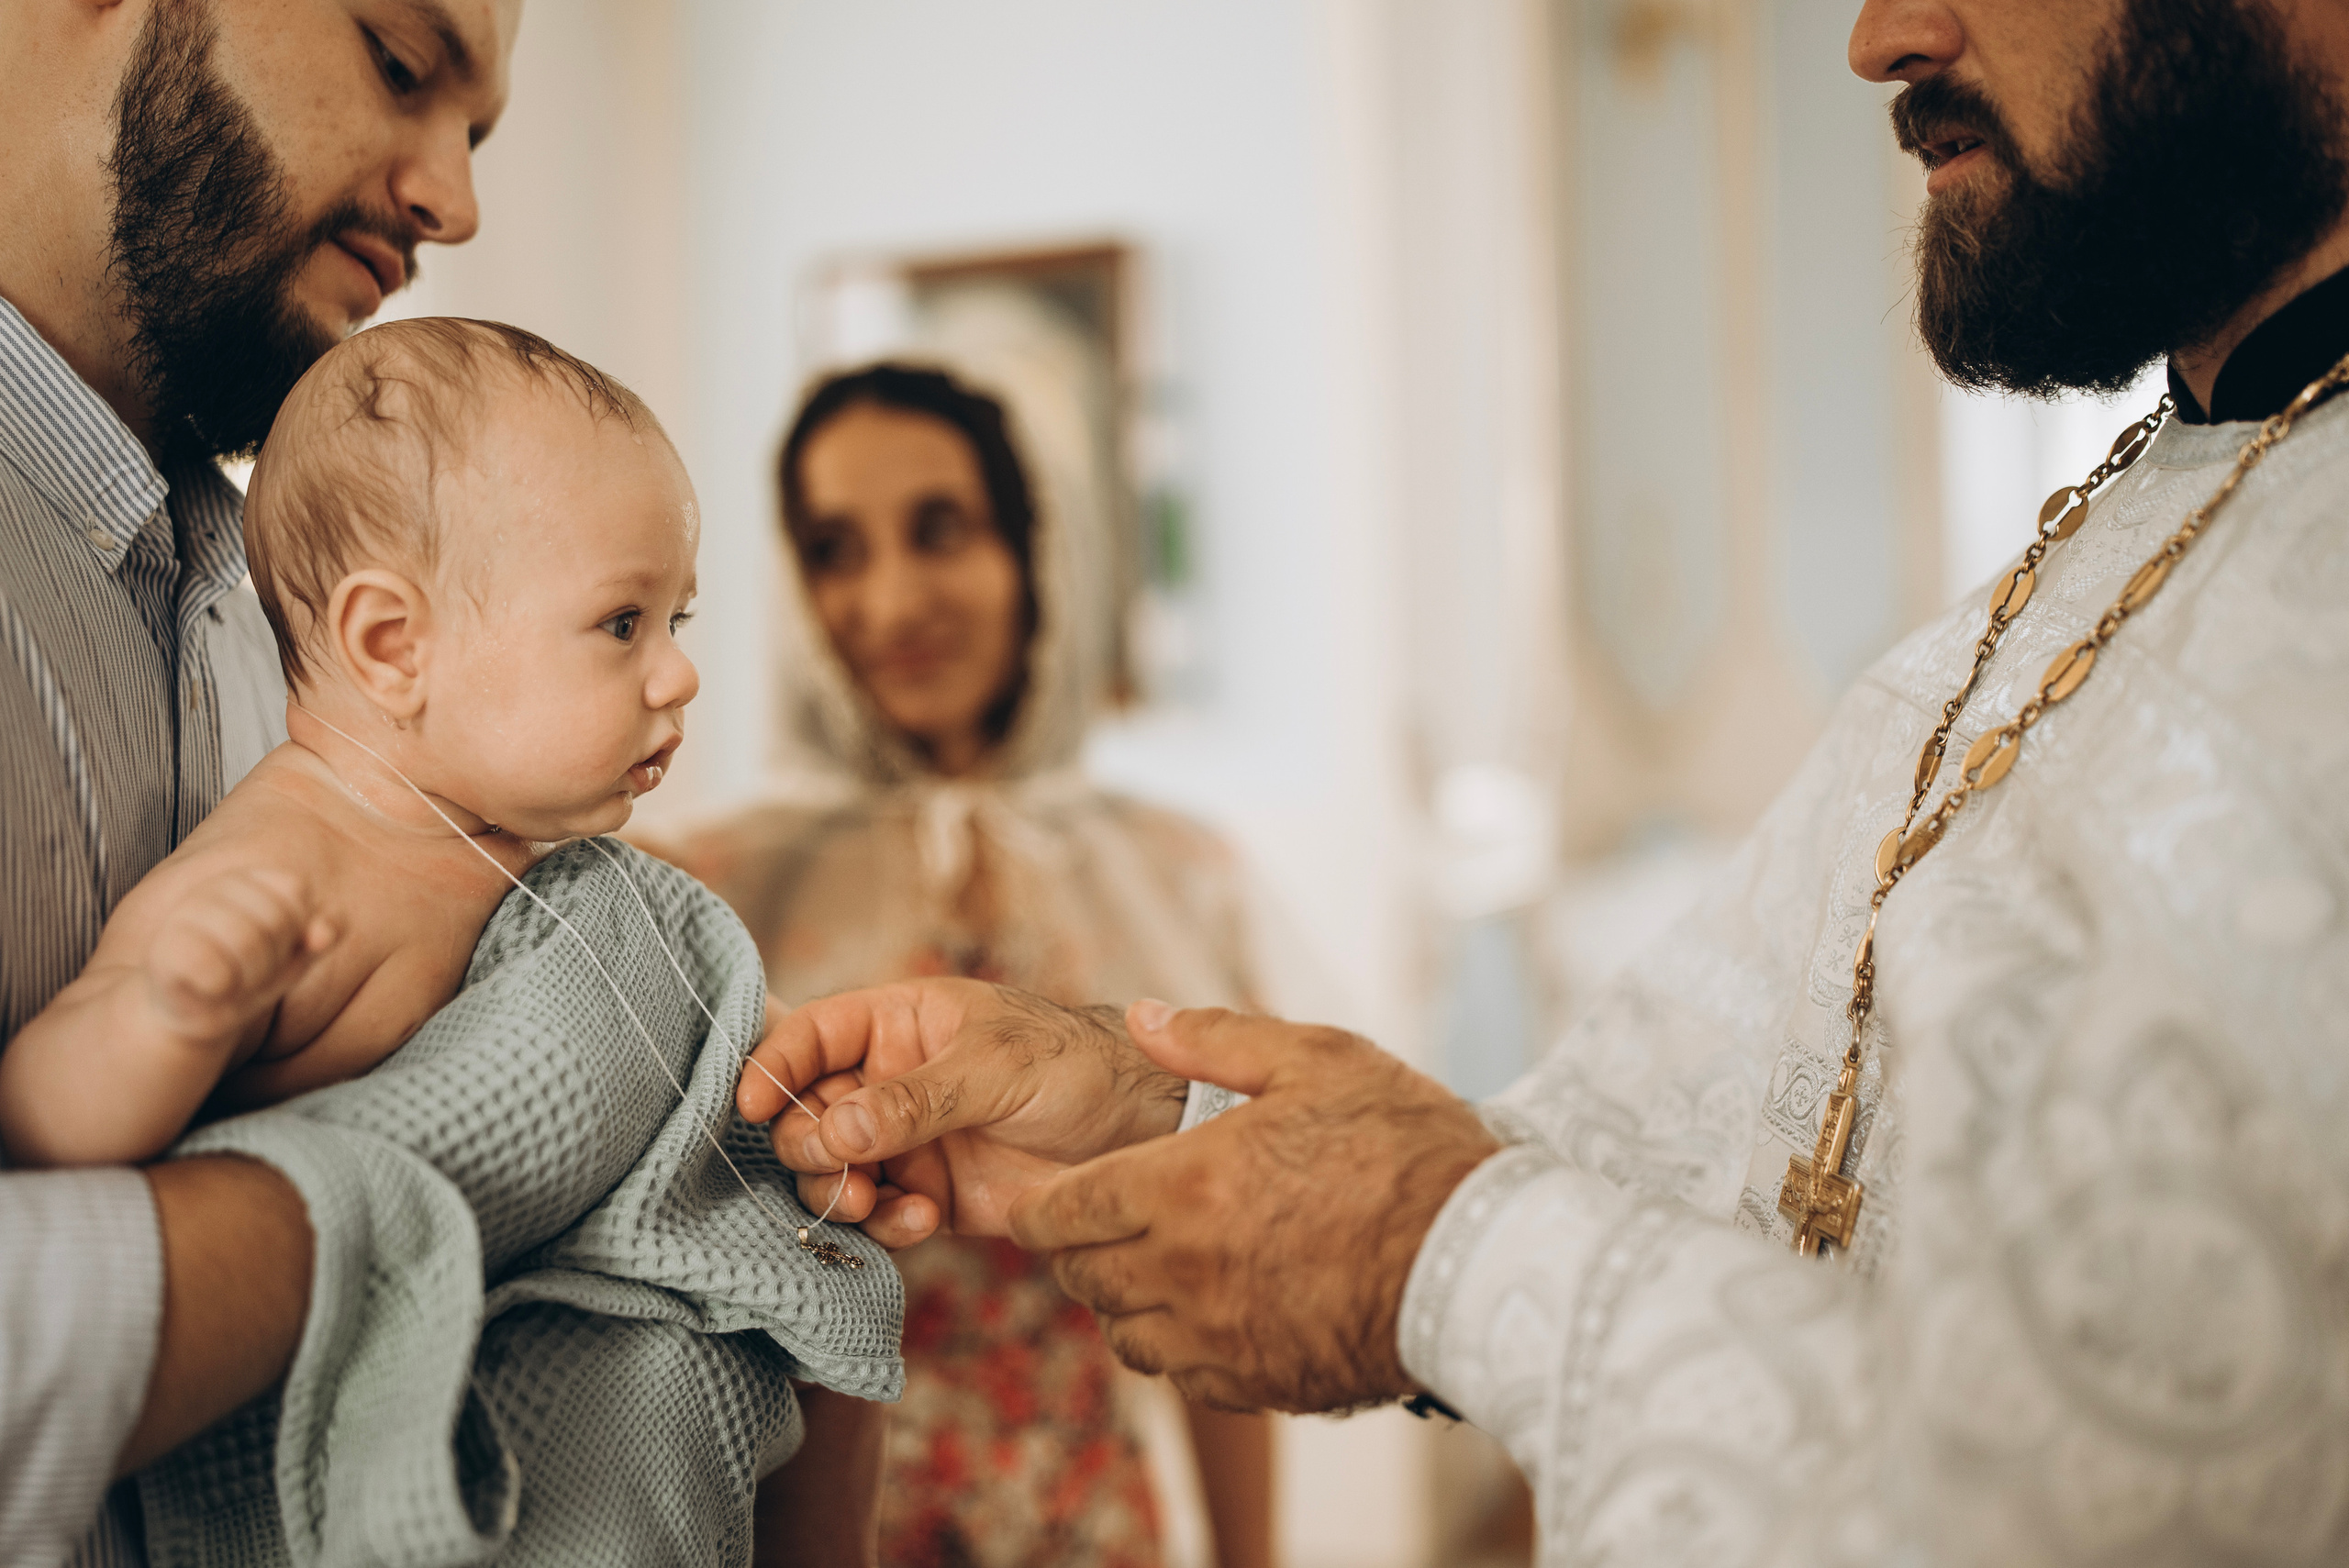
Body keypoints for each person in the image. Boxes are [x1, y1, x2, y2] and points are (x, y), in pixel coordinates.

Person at [740, 3, 2349, 1564]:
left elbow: (2147, 1487)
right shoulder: (2144, 512)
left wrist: (1433, 1250)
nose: (1878, 38)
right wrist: (1149, 1095)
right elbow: (1665, 1136)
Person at [3, 317, 895, 1562]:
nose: (679, 675)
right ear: (392, 645)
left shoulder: (535, 857)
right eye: (621, 625)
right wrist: (168, 1010)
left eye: (676, 619)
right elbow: (52, 1127)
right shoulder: (288, 861)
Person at [0, 1, 514, 1561]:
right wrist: (456, 1156)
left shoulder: (308, 619)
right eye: (401, 64)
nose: (456, 204)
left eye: (475, 138)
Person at [682, 362, 1275, 1568]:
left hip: (1086, 1514)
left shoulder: (1171, 874)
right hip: (811, 1523)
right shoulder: (723, 880)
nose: (891, 600)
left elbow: (1231, 1263)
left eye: (940, 529)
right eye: (837, 548)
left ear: (1036, 549)